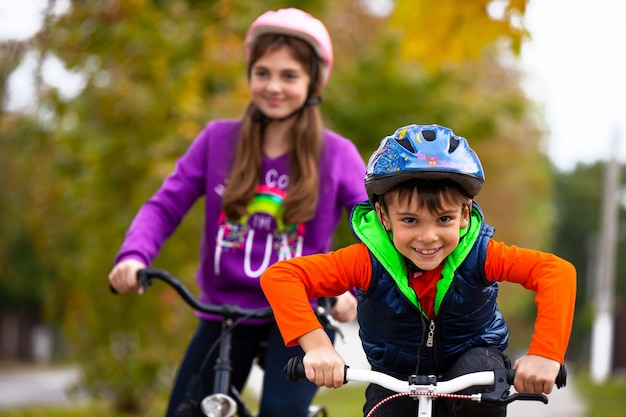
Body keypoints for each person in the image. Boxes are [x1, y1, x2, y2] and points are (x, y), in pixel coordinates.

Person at [108, 8, 367, 417]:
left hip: (299, 315)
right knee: (186, 410)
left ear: (314, 81)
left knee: (282, 411)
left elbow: (371, 227)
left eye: (289, 76)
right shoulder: (217, 141)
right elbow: (165, 204)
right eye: (262, 73)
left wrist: (351, 289)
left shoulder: (336, 155)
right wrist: (134, 255)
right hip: (222, 312)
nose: (273, 86)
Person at [260, 123, 577, 417]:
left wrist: (545, 354)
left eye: (444, 219)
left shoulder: (482, 255)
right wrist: (317, 346)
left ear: (465, 215)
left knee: (479, 380)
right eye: (410, 220)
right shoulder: (366, 261)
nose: (428, 237)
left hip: (472, 366)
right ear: (384, 217)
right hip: (396, 375)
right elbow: (282, 276)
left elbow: (556, 273)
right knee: (384, 409)